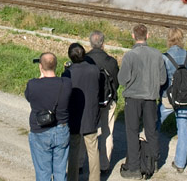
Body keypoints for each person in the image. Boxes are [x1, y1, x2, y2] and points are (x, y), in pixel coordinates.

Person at [117, 24, 167, 180]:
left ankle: (134, 167)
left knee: (132, 132)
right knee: (151, 130)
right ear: (148, 35)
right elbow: (162, 79)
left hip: (133, 98)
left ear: (133, 36)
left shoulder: (130, 56)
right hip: (151, 98)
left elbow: (122, 79)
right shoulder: (157, 55)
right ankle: (152, 163)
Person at [25, 52, 73, 181]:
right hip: (61, 129)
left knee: (43, 172)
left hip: (40, 130)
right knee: (60, 171)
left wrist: (41, 77)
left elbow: (29, 98)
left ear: (41, 66)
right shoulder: (66, 84)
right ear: (56, 66)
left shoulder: (33, 84)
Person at [157, 27, 187, 174]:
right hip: (184, 98)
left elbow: (161, 79)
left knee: (156, 123)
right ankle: (180, 163)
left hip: (168, 98)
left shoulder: (164, 57)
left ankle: (153, 156)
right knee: (183, 127)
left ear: (169, 39)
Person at [62, 43, 101, 181]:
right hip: (91, 114)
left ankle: (73, 178)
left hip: (74, 115)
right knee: (93, 149)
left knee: (74, 149)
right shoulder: (94, 70)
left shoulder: (68, 73)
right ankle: (95, 178)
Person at [85, 30, 119, 174]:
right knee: (107, 131)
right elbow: (116, 83)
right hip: (107, 100)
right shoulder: (111, 62)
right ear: (103, 44)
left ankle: (80, 163)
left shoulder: (84, 60)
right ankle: (104, 165)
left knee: (85, 131)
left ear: (90, 43)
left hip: (88, 102)